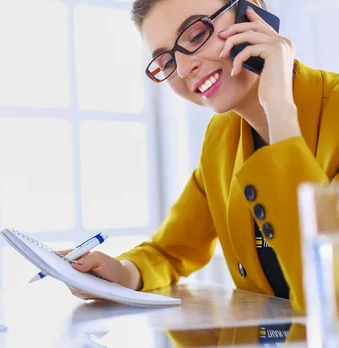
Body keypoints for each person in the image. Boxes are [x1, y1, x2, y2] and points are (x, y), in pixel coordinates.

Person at [64, 0, 339, 312]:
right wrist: (124, 273)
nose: (183, 69)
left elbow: (329, 292)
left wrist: (279, 110)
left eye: (196, 36)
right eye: (167, 62)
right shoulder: (222, 137)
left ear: (253, 11)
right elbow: (170, 250)